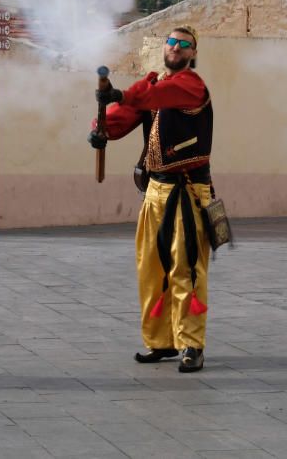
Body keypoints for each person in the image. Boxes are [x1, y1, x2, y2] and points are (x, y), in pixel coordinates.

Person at [89, 26, 213, 373]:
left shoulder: (190, 85)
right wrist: (101, 127)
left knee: (186, 269)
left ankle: (191, 343)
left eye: (184, 44)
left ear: (192, 53)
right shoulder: (154, 85)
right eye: (172, 42)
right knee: (151, 269)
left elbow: (149, 97)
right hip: (155, 191)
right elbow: (121, 119)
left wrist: (120, 94)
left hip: (187, 192)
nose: (176, 47)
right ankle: (161, 342)